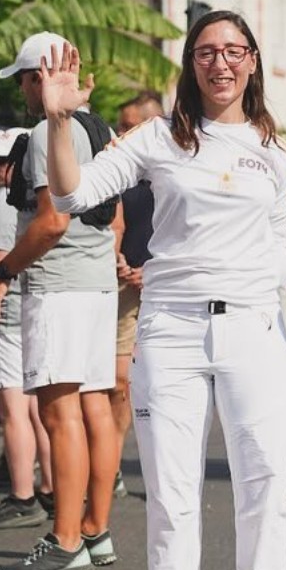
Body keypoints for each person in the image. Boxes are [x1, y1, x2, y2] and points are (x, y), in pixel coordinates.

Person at [37, 12, 286, 570]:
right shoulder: (157, 137)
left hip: (252, 334)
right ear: (191, 63)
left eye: (234, 51)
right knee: (173, 506)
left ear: (253, 62)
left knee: (264, 499)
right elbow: (70, 194)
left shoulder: (278, 150)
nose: (221, 63)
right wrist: (60, 121)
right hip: (172, 332)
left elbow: (275, 250)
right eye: (208, 52)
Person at [0, 31, 120, 570]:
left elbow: (51, 220)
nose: (23, 92)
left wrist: (3, 273)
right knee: (94, 408)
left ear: (40, 77)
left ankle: (64, 541)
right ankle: (94, 530)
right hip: (95, 281)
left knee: (60, 415)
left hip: (59, 285)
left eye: (22, 80)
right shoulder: (96, 126)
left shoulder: (45, 133)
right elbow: (111, 218)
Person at [0, 127, 54, 531]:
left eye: (2, 161)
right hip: (29, 309)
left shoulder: (7, 201)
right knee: (38, 407)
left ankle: (24, 495)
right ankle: (49, 488)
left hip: (7, 314)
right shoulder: (27, 200)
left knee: (13, 410)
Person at [111, 91, 165, 499]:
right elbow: (111, 224)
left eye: (129, 125)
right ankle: (109, 470)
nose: (121, 132)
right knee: (119, 384)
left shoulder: (174, 166)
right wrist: (118, 263)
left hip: (167, 289)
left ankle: (165, 474)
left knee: (163, 388)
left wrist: (153, 271)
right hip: (124, 284)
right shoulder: (121, 168)